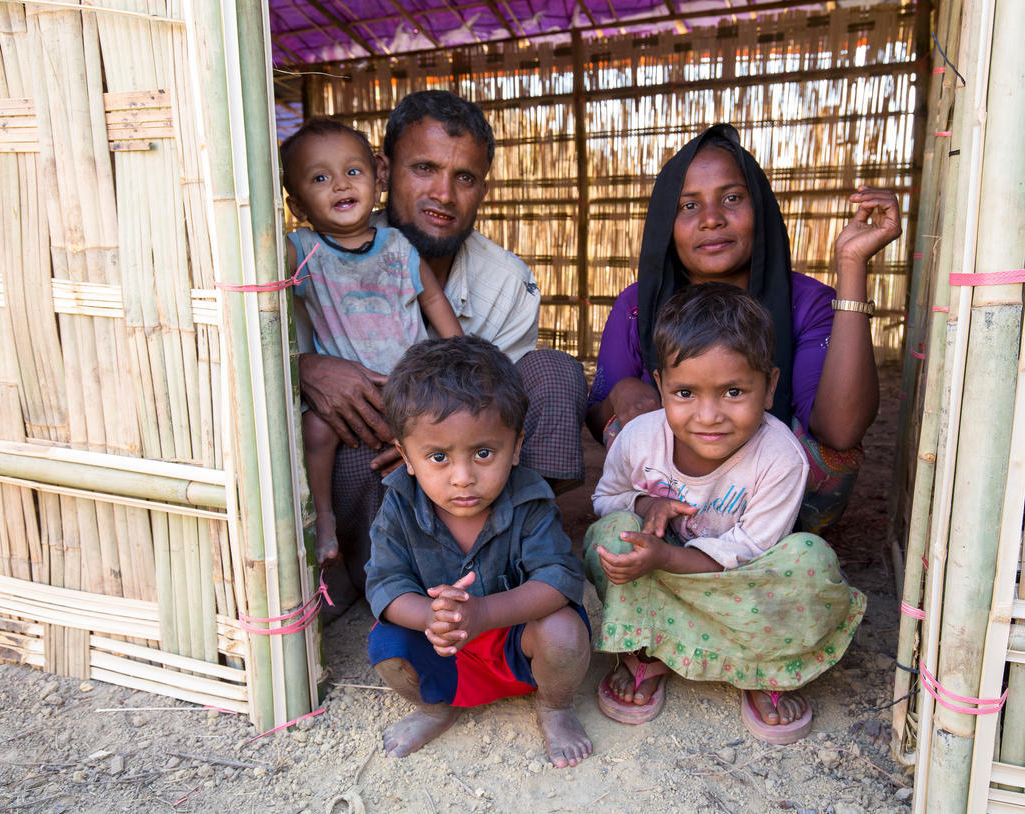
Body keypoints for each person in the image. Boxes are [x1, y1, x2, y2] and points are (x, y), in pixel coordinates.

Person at [295, 92, 587, 608]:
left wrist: (425, 435)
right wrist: (305, 367)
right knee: (338, 434)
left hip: (467, 470)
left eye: (465, 177)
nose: (444, 194)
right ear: (383, 171)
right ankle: (370, 572)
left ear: (483, 189)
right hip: (370, 456)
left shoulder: (506, 283)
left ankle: (516, 554)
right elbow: (252, 355)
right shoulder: (316, 255)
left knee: (555, 372)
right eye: (425, 168)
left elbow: (500, 411)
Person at [584, 283, 866, 744]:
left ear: (770, 386)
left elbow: (752, 551)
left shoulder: (780, 456)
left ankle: (765, 664)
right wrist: (645, 504)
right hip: (660, 579)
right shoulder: (639, 438)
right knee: (612, 533)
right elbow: (605, 499)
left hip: (738, 582)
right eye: (686, 393)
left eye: (733, 391)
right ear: (660, 386)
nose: (708, 415)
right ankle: (645, 651)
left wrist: (665, 558)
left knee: (810, 558)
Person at [587, 124, 902, 534]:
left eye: (732, 198)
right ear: (666, 220)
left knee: (827, 450)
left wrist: (852, 264)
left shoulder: (805, 303)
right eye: (688, 206)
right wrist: (620, 392)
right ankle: (669, 543)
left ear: (761, 208)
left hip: (770, 501)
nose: (713, 220)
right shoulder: (636, 305)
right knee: (623, 422)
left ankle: (762, 546)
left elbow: (840, 432)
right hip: (664, 502)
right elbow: (599, 419)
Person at [365, 335, 592, 767]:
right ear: (406, 456)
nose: (463, 477)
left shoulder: (530, 498)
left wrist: (483, 614)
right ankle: (436, 707)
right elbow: (385, 584)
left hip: (516, 640)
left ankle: (555, 706)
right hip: (443, 643)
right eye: (438, 457)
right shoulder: (398, 504)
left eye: (484, 453)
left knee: (563, 631)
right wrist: (432, 618)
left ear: (517, 445)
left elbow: (558, 580)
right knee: (387, 646)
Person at [281, 118, 462, 568]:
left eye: (352, 172)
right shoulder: (302, 249)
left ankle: (444, 535)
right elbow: (251, 258)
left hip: (410, 382)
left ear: (377, 181)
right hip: (349, 396)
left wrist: (460, 355)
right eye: (320, 178)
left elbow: (434, 299)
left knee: (439, 438)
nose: (340, 184)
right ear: (298, 204)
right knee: (315, 430)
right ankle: (323, 519)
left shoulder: (398, 246)